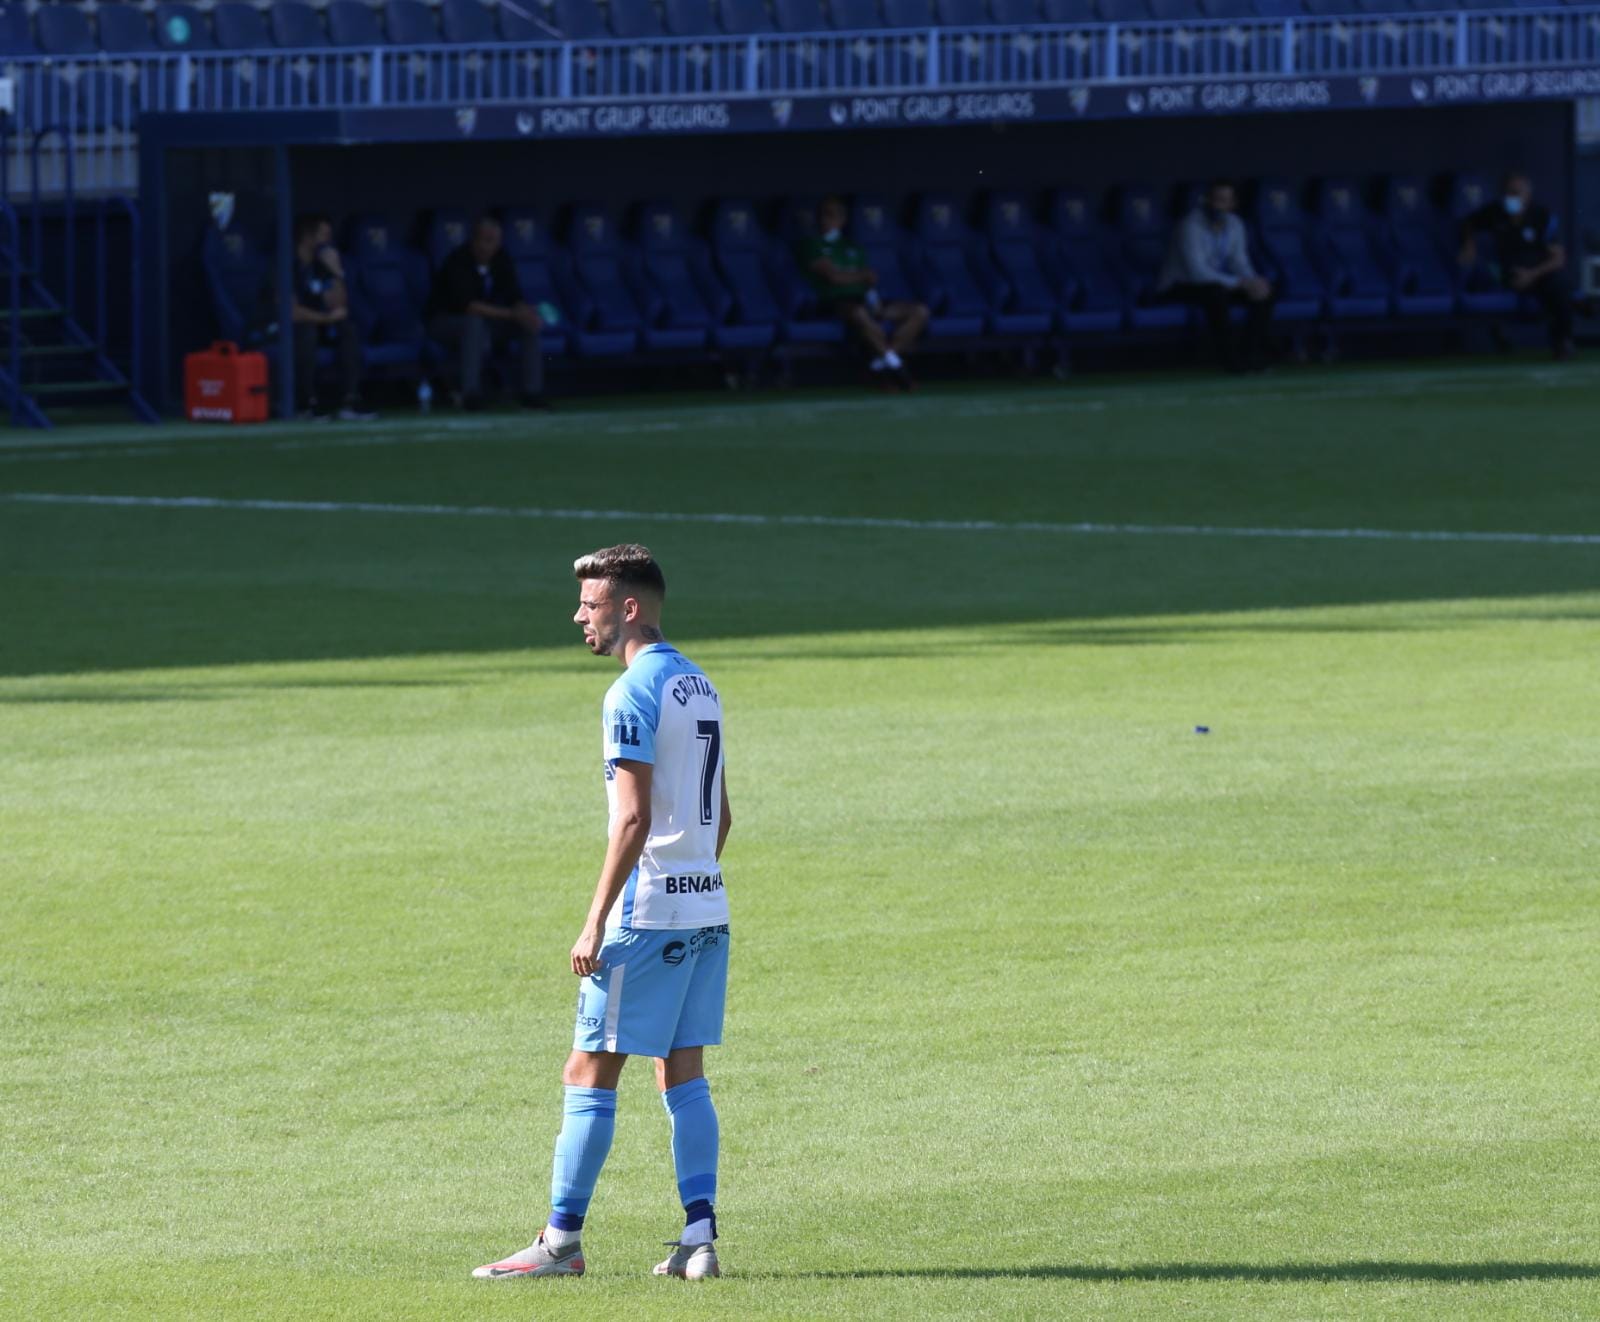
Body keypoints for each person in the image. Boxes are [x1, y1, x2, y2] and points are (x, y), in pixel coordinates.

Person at [474, 543, 732, 1284]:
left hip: (646, 915)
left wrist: (595, 921)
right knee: (682, 1071)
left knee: (589, 1067)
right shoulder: (699, 683)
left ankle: (560, 1243)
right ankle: (699, 1237)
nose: (578, 615)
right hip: (707, 905)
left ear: (628, 608)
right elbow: (721, 815)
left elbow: (631, 820)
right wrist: (695, 881)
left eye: (590, 604)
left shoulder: (629, 694)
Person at [798, 195, 928, 390]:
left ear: (842, 220)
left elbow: (869, 280)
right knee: (858, 313)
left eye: (832, 215)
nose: (825, 220)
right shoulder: (812, 245)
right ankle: (899, 370)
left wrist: (873, 299)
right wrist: (860, 276)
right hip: (836, 303)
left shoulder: (853, 247)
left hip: (864, 300)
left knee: (919, 311)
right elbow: (833, 277)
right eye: (822, 215)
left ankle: (881, 363)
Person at [427, 215, 548, 410]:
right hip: (444, 323)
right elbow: (469, 306)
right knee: (474, 324)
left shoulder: (501, 258)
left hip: (485, 323)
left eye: (496, 241)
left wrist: (525, 311)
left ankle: (532, 393)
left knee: (527, 324)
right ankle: (471, 394)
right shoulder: (458, 260)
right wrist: (511, 314)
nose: (492, 246)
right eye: (487, 240)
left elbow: (513, 295)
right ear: (474, 240)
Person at [1159, 179, 1276, 372]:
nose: (1219, 205)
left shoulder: (1235, 224)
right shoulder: (1189, 226)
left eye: (1225, 201)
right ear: (1206, 201)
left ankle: (1251, 354)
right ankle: (1230, 361)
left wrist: (1253, 281)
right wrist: (1240, 283)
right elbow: (1197, 273)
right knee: (1216, 294)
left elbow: (1239, 262)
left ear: (1233, 204)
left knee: (1265, 294)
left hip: (1217, 284)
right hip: (1179, 286)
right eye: (1215, 200)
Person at [1459, 170, 1577, 360]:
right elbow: (1468, 223)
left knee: (1560, 286)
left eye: (1516, 193)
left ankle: (1563, 342)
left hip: (1538, 274)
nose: (1511, 198)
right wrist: (1469, 245)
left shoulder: (1541, 216)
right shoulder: (1494, 212)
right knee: (1492, 276)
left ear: (1527, 194)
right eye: (1507, 193)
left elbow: (1558, 258)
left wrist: (1532, 274)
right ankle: (1500, 332)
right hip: (1508, 273)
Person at [291, 215, 374, 420]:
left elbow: (339, 306)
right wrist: (326, 319)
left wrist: (336, 272)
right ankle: (306, 403)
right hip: (280, 329)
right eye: (323, 236)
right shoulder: (286, 264)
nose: (328, 242)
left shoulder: (320, 266)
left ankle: (350, 400)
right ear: (307, 238)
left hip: (317, 324)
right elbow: (292, 313)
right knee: (307, 333)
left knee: (347, 329)